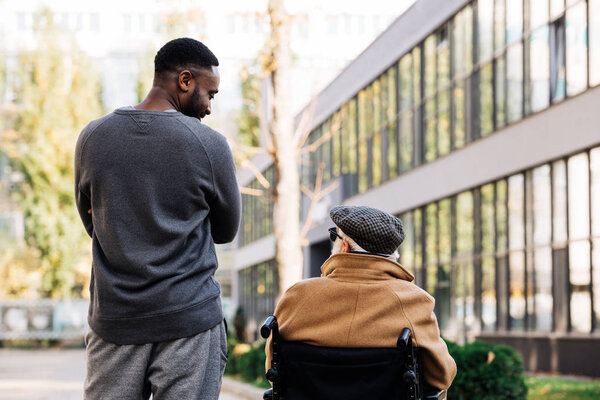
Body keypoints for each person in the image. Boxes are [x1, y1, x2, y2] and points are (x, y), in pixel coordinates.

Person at [75, 38, 240, 400]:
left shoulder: (92, 138)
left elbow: (93, 223)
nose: (210, 107)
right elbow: (226, 230)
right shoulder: (209, 144)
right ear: (185, 80)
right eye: (210, 94)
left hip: (115, 321)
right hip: (190, 322)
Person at [266, 205, 456, 391]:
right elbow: (440, 377)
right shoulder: (414, 301)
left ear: (344, 246)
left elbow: (273, 371)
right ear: (392, 254)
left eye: (334, 236)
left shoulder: (297, 297)